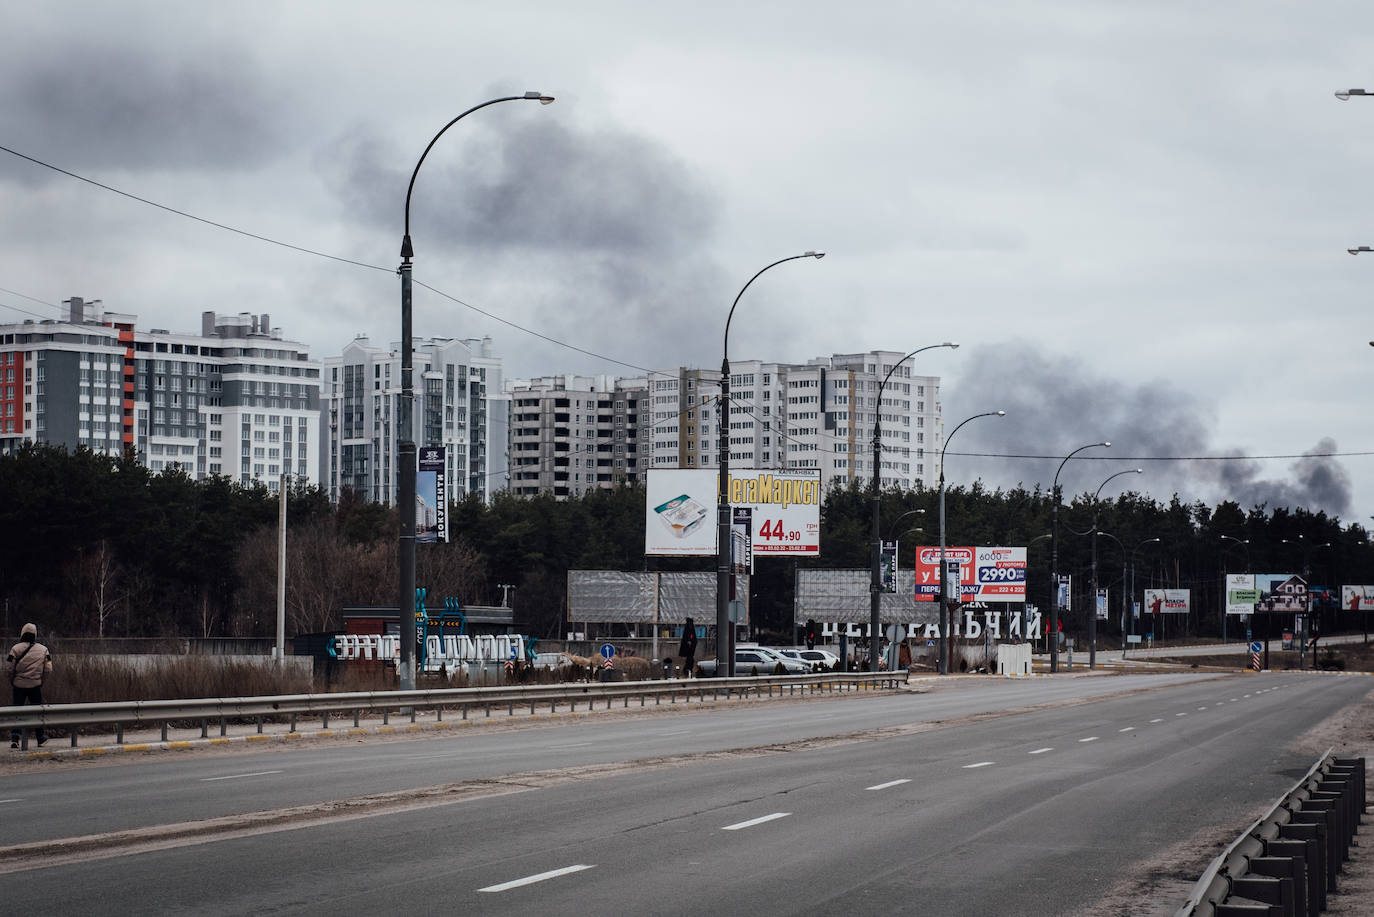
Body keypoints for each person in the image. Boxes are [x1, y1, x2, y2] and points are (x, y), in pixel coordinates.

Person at [6, 622, 52, 749]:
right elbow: (48, 669)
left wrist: (13, 680)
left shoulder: (15, 649)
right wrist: (41, 681)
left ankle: (15, 738)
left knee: (17, 712)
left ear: (22, 633)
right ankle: (40, 738)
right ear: (35, 635)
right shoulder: (44, 650)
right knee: (38, 712)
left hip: (18, 685)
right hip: (35, 685)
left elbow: (9, 668)